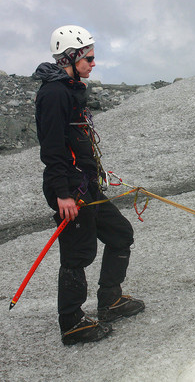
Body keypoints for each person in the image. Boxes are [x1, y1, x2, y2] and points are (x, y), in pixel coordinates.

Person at [35, 25, 145, 345]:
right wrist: (63, 194)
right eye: (90, 57)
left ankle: (109, 300)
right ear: (71, 56)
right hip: (71, 190)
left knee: (120, 234)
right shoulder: (54, 94)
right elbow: (52, 148)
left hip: (86, 185)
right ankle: (71, 323)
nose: (94, 63)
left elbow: (78, 142)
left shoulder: (70, 88)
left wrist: (96, 174)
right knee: (77, 253)